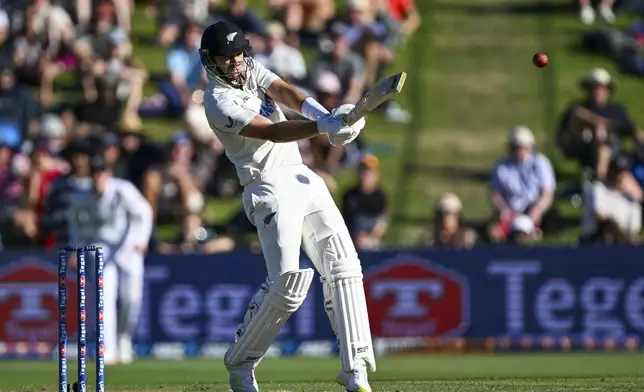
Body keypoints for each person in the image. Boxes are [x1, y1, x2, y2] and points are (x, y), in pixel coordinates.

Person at [200, 21, 374, 392]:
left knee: (344, 267)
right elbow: (273, 131)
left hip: (300, 175)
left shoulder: (250, 69)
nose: (233, 63)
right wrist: (323, 128)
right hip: (266, 187)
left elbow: (285, 92)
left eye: (237, 55)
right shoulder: (218, 102)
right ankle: (240, 364)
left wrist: (322, 114)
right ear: (210, 62)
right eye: (224, 58)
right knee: (288, 286)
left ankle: (355, 367)